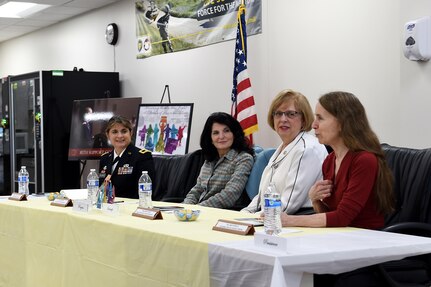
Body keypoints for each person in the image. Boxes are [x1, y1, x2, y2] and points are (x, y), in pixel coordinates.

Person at [279, 91, 394, 230]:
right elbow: (330, 216)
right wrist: (315, 200)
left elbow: (342, 217)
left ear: (342, 123)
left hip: (366, 240)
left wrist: (289, 220)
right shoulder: (329, 160)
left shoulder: (365, 160)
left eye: (320, 118)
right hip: (340, 236)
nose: (314, 125)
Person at [241, 89, 328, 214]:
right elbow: (263, 195)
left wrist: (255, 217)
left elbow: (289, 204)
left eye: (291, 114)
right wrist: (243, 214)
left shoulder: (306, 149)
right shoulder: (284, 147)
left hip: (298, 219)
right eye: (278, 114)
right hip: (273, 217)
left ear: (304, 119)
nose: (283, 119)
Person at [183, 112, 254, 209]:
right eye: (216, 133)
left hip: (221, 214)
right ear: (210, 138)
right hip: (199, 211)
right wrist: (184, 208)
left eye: (226, 131)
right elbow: (197, 189)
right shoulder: (209, 160)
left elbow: (230, 194)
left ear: (234, 134)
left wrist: (198, 209)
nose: (221, 136)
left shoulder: (244, 159)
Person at [99, 115, 155, 199]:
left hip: (130, 207)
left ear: (131, 133)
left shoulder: (142, 156)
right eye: (114, 132)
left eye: (124, 131)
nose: (120, 136)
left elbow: (145, 193)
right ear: (108, 135)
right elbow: (102, 187)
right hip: (108, 206)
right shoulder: (105, 158)